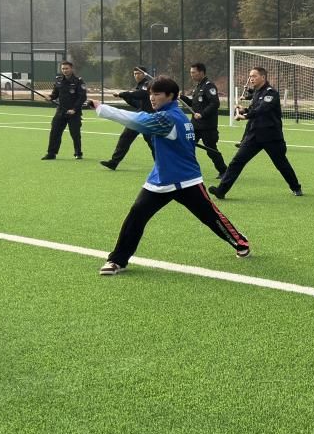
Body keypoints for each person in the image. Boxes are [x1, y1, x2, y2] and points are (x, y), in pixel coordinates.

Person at [87, 76, 250, 275]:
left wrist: (101, 107)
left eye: (157, 94)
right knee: (136, 216)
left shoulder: (167, 119)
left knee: (211, 217)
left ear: (171, 96)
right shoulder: (174, 116)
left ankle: (240, 242)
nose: (152, 98)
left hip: (186, 180)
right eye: (151, 94)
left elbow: (136, 120)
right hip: (160, 180)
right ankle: (117, 260)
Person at [209, 66, 303, 200]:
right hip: (254, 135)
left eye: (254, 76)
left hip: (271, 136)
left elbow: (263, 109)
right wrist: (243, 110)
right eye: (250, 76)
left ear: (263, 77)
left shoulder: (271, 93)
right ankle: (221, 191)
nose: (251, 79)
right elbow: (254, 108)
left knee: (281, 164)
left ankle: (296, 187)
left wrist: (245, 116)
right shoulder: (256, 93)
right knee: (237, 161)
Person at [99, 67, 155, 171]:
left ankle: (161, 165)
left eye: (138, 73)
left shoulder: (147, 84)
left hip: (149, 118)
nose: (136, 76)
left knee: (153, 143)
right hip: (139, 116)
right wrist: (125, 97)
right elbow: (137, 104)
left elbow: (141, 94)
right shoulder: (139, 86)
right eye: (135, 74)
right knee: (125, 137)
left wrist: (123, 94)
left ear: (144, 74)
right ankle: (113, 162)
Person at [186, 62, 228, 178]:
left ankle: (224, 171)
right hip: (195, 125)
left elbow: (215, 103)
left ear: (201, 72)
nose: (191, 75)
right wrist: (182, 98)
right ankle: (188, 171)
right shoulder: (198, 86)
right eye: (191, 72)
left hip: (207, 126)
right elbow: (194, 103)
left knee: (211, 149)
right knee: (187, 146)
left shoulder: (209, 86)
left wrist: (202, 114)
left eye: (193, 72)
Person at [43, 60, 87, 160]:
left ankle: (78, 153)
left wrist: (74, 109)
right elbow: (55, 94)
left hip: (74, 113)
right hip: (60, 111)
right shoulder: (59, 80)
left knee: (75, 134)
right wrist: (50, 97)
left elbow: (82, 97)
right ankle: (51, 153)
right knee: (55, 132)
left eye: (66, 68)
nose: (64, 70)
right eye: (63, 69)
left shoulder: (78, 81)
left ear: (71, 69)